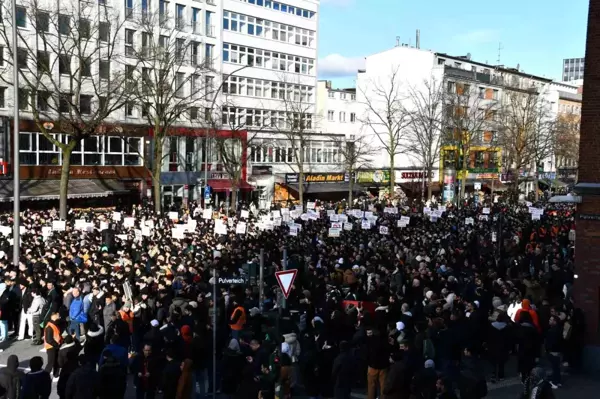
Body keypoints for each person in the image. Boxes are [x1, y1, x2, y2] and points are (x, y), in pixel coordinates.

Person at [43, 312, 62, 379]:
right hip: (51, 347)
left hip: (55, 346)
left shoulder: (54, 324)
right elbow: (49, 340)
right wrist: (57, 345)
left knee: (56, 361)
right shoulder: (49, 327)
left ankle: (56, 374)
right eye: (58, 316)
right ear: (54, 316)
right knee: (50, 363)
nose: (59, 317)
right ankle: (44, 376)